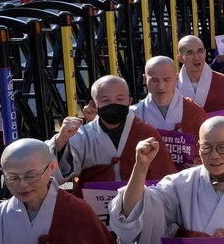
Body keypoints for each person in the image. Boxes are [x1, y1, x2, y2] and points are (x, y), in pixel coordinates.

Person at [0, 139, 119, 244]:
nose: (23, 184)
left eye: (31, 176)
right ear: (2, 173)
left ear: (52, 167)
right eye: (12, 177)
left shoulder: (78, 212)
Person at [47, 75, 176, 196]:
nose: (114, 104)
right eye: (105, 100)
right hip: (94, 209)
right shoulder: (85, 135)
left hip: (139, 205)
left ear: (129, 101)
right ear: (93, 105)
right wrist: (62, 139)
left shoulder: (147, 133)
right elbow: (48, 172)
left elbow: (164, 178)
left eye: (120, 99)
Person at [132, 56, 207, 137]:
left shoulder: (195, 112)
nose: (161, 86)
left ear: (176, 78)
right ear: (144, 79)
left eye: (167, 79)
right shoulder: (134, 114)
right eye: (154, 80)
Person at [176, 35, 224, 114]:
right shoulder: (173, 83)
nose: (197, 57)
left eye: (200, 51)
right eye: (190, 53)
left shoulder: (222, 80)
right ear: (180, 58)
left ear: (205, 53)